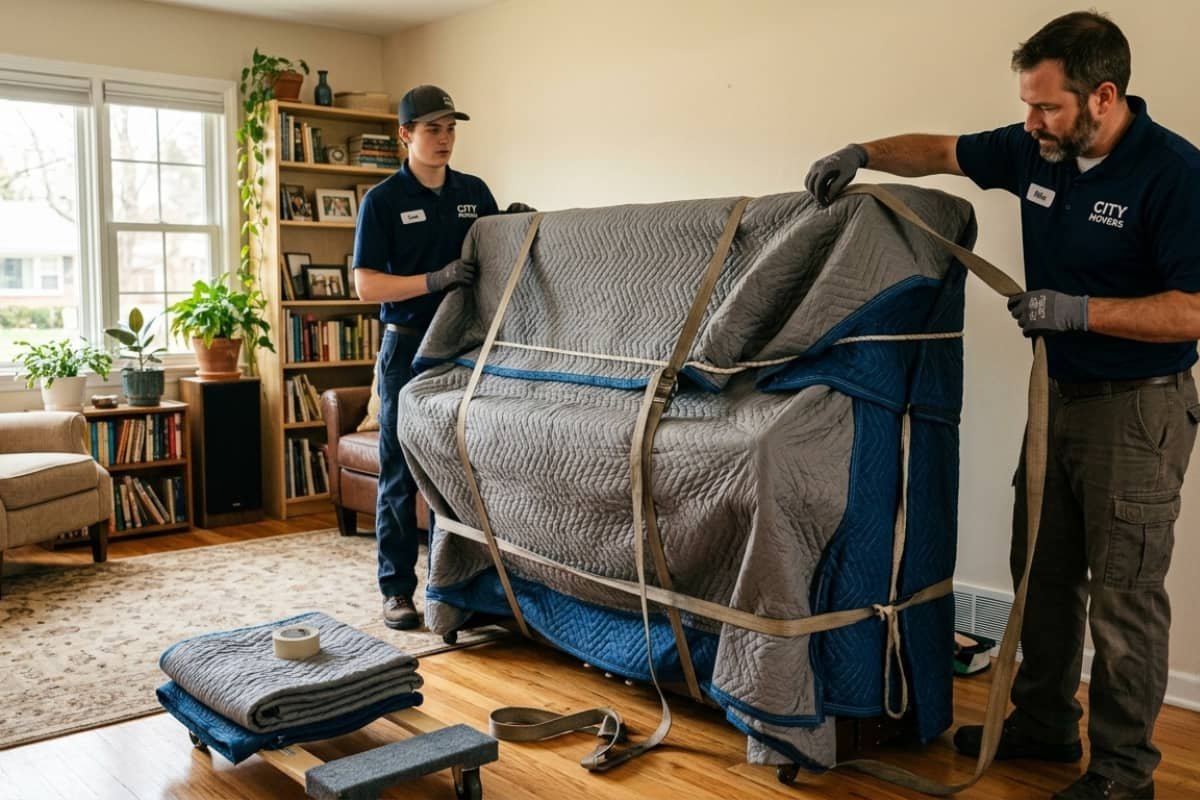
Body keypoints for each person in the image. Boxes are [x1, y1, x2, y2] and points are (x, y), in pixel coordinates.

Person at [806, 11, 1199, 800]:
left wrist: (1078, 312)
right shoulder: (1033, 150)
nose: (1030, 122)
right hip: (1057, 401)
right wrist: (861, 153)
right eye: (1027, 104)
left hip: (1137, 412)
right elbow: (941, 151)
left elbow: (1192, 310)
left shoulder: (1174, 173)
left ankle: (1124, 774)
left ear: (1103, 97)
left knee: (1124, 597)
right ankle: (1044, 725)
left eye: (1047, 106)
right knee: (1043, 574)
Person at [353, 85, 500, 631]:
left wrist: (512, 226)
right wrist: (432, 280)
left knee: (455, 468)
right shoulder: (383, 200)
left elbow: (493, 256)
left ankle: (452, 585)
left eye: (451, 129)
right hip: (408, 345)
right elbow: (366, 285)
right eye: (433, 129)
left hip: (462, 347)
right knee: (400, 469)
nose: (445, 139)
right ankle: (396, 590)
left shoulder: (473, 192)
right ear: (405, 135)